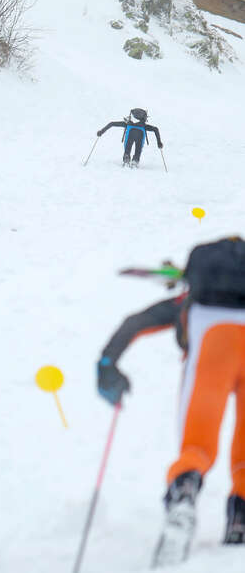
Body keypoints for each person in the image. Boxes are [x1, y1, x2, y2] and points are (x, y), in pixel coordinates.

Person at [96, 237, 245, 567]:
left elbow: (137, 322)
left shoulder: (191, 301)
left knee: (198, 444)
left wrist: (107, 363)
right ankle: (241, 519)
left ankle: (184, 494)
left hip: (212, 344)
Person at [96, 108, 163, 167]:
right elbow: (155, 129)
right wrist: (159, 142)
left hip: (130, 132)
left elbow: (112, 123)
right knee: (138, 149)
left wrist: (101, 132)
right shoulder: (144, 125)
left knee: (128, 147)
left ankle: (126, 158)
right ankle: (135, 160)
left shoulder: (127, 123)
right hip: (141, 133)